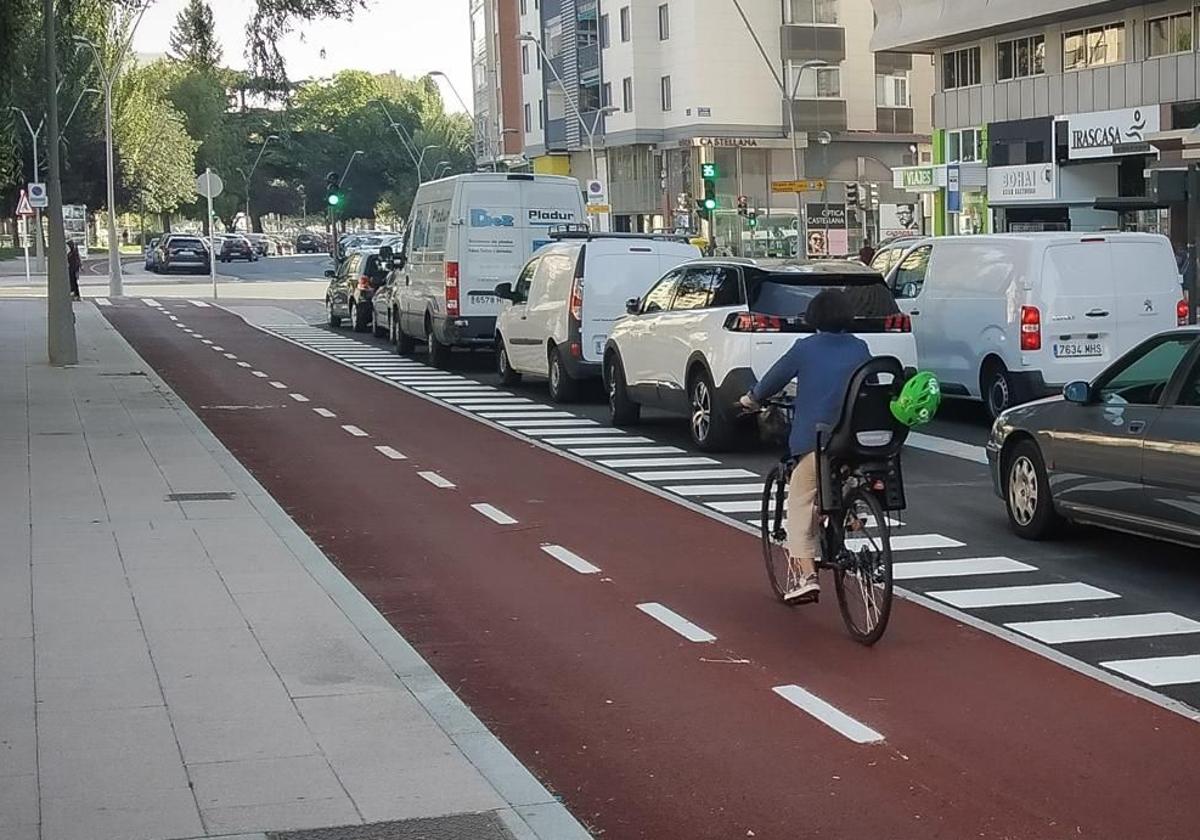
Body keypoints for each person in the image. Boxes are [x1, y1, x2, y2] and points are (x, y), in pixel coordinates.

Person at [739, 289, 871, 604]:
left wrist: (751, 399)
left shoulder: (805, 348)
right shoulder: (860, 347)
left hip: (819, 441)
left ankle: (807, 576)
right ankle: (853, 512)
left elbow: (771, 381)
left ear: (814, 318)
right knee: (841, 477)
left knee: (800, 500)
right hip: (856, 439)